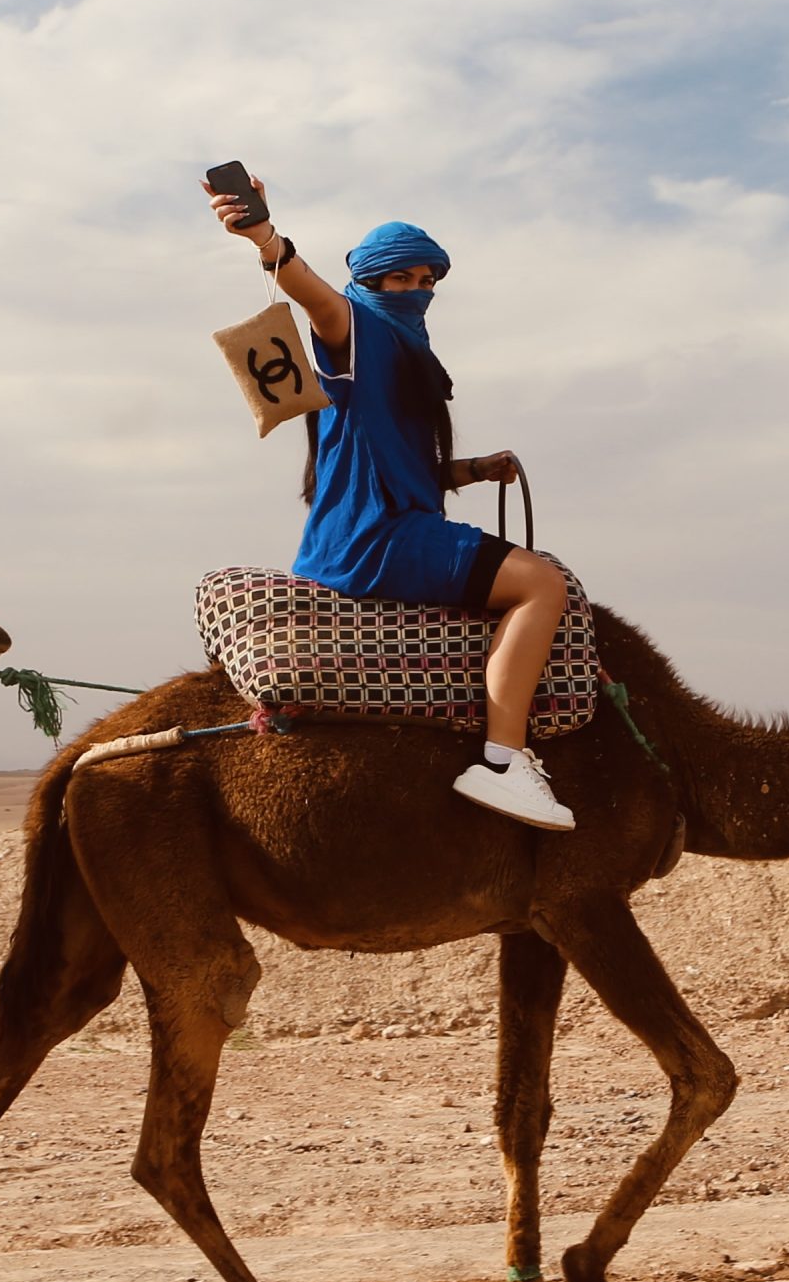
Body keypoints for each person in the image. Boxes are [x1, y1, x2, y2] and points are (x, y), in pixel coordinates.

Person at [207, 177, 576, 831]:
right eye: (399, 279)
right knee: (541, 586)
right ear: (371, 283)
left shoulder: (409, 353)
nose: (415, 291)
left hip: (392, 525)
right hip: (378, 539)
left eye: (425, 279)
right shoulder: (357, 331)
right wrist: (266, 238)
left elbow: (403, 467)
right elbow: (315, 298)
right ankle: (503, 761)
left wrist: (469, 470)